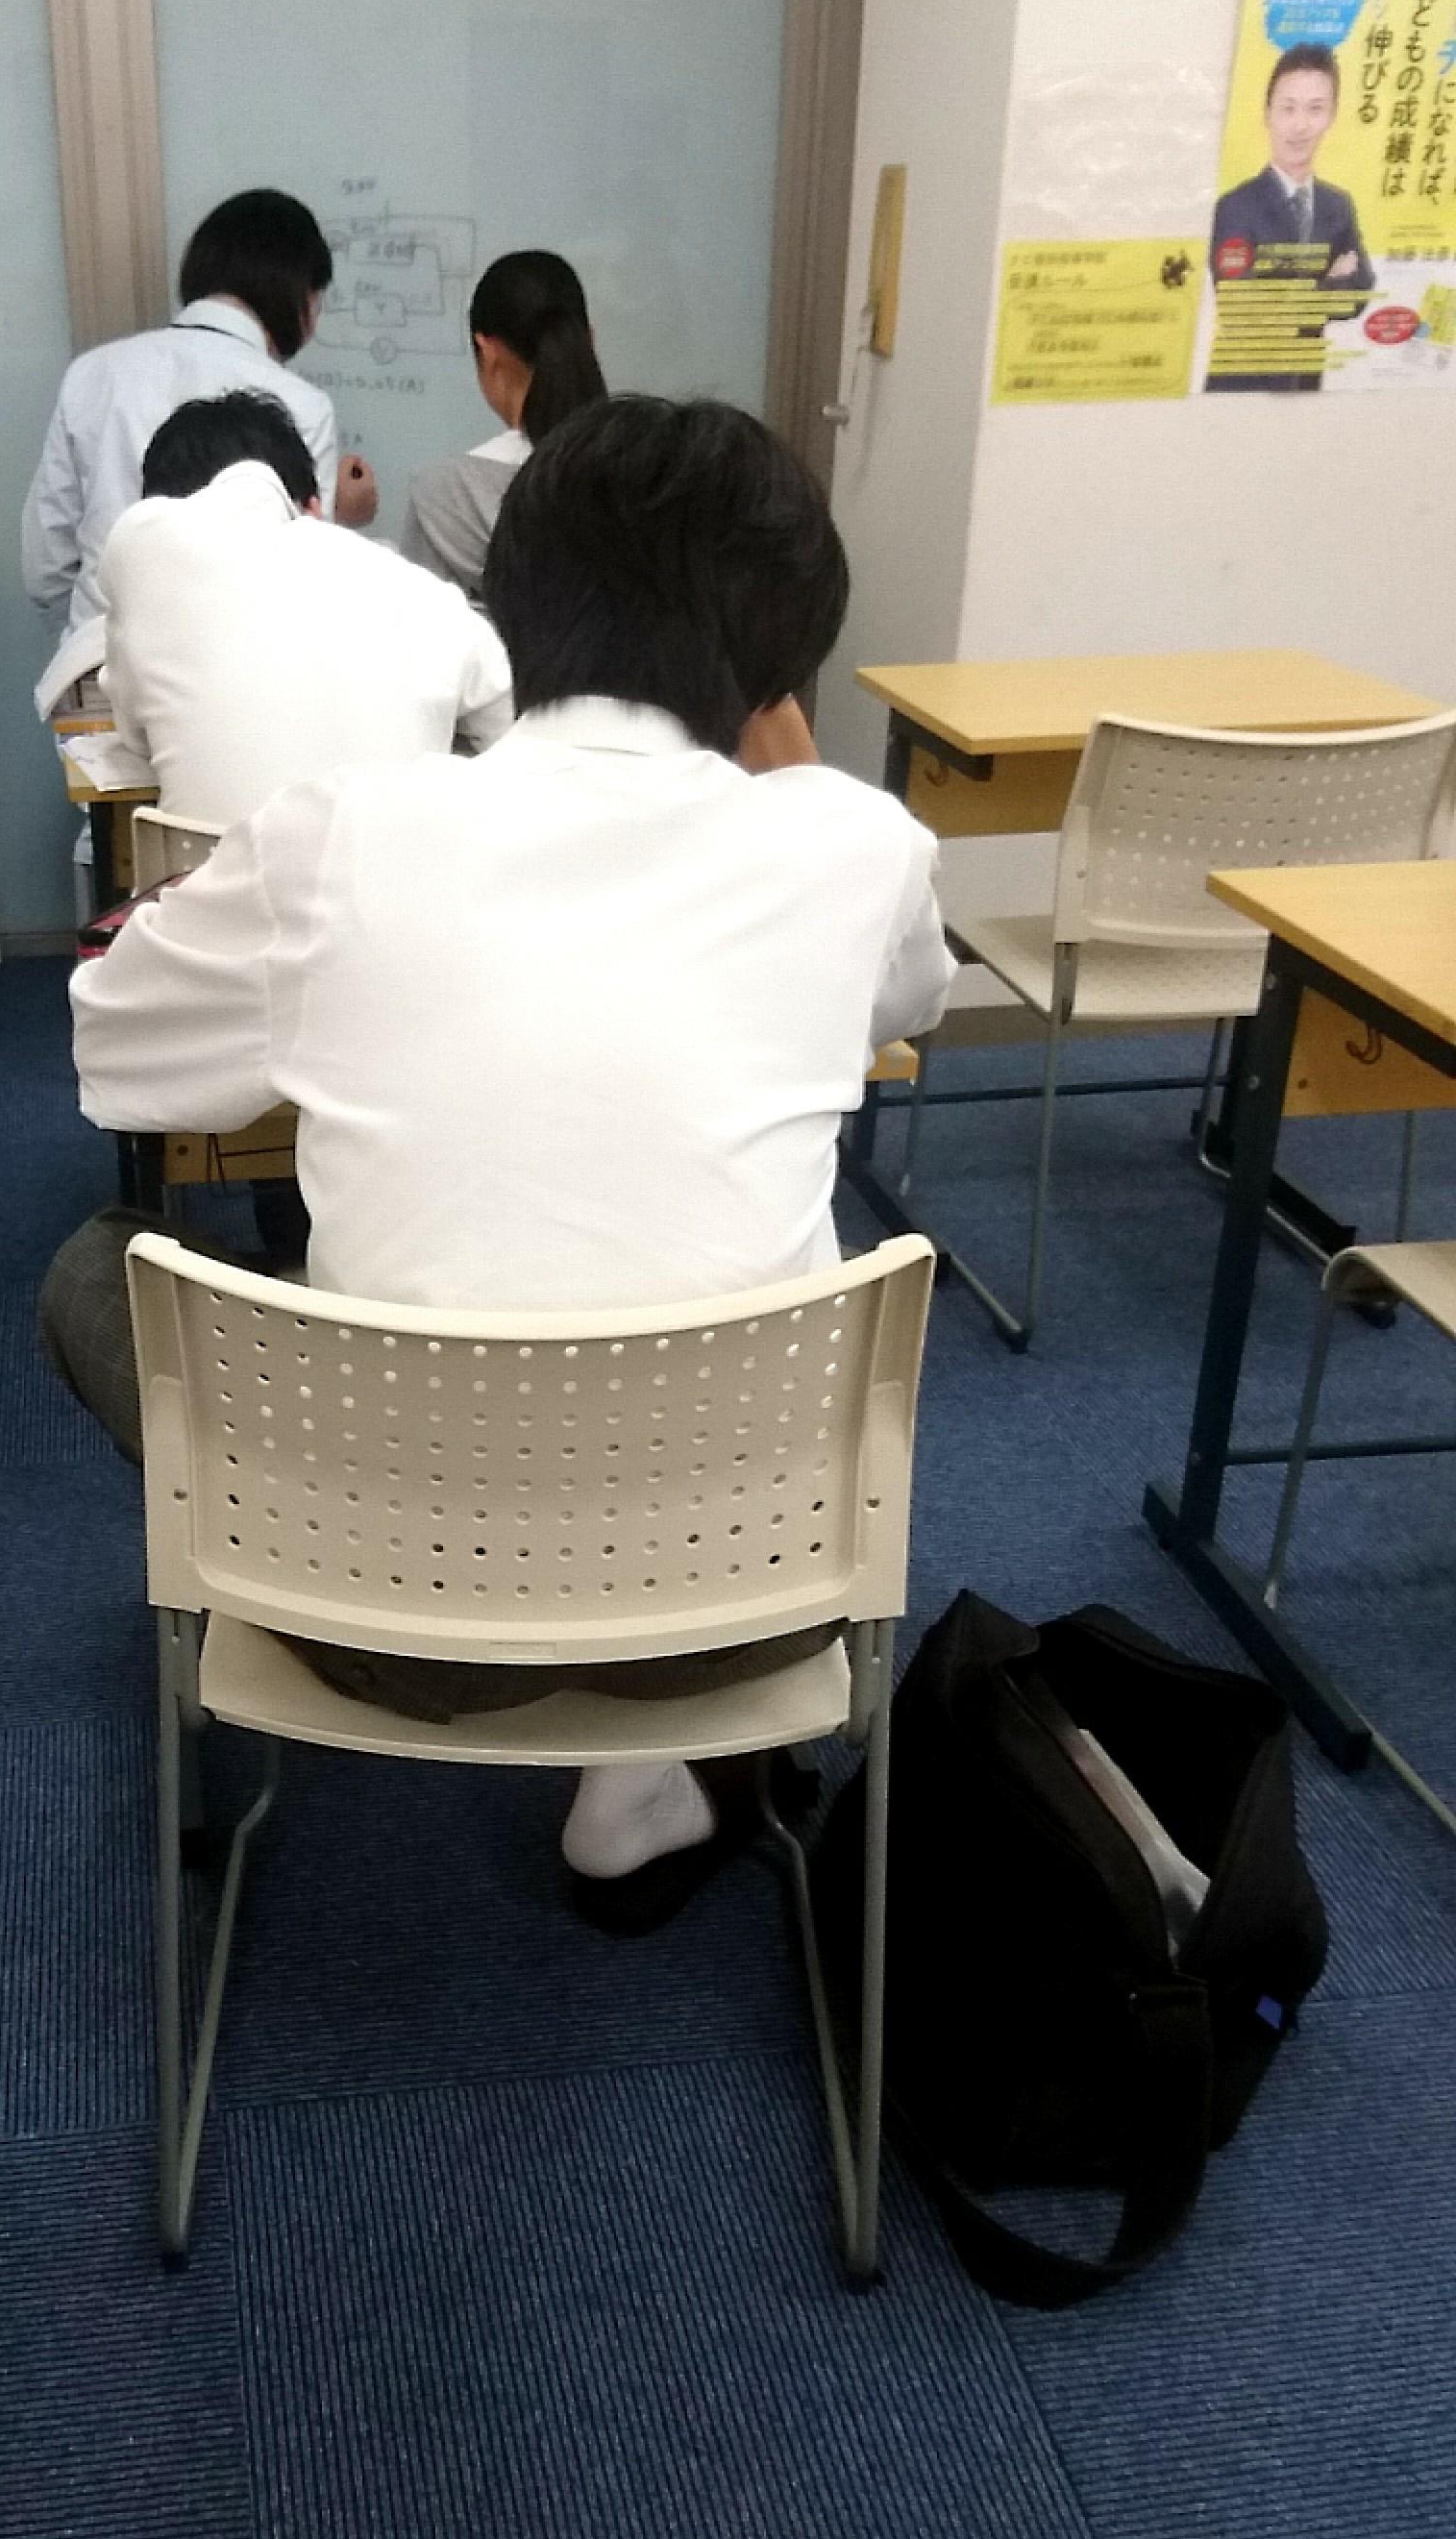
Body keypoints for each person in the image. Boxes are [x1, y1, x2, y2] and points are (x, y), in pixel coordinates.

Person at [64, 393, 951, 1930]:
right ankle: (645, 1771)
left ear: (508, 606)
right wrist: (790, 757)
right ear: (780, 663)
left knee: (102, 1271)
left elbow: (116, 1056)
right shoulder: (859, 847)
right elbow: (909, 1001)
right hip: (748, 1603)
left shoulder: (337, 833)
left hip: (370, 1614)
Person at [97, 390, 513, 826]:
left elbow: (136, 736)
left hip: (210, 866)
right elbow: (516, 739)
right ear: (313, 508)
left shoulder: (143, 560)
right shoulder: (428, 599)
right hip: (396, 866)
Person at [22, 188, 380, 632]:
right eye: (317, 303)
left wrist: (92, 634)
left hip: (100, 658)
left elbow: (46, 566)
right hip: (238, 662)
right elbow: (305, 572)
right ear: (297, 294)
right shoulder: (302, 405)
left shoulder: (93, 374)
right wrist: (346, 517)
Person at [401, 249, 605, 595]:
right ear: (589, 341)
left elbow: (419, 621)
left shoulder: (446, 494)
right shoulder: (652, 476)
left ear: (488, 352)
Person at [1207, 43, 1374, 394]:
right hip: (1239, 390)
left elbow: (1360, 291)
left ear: (1331, 116)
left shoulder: (1338, 205)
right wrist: (1328, 284)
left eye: (1315, 109)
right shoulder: (1236, 206)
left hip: (1307, 387)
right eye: (1288, 108)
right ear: (1268, 113)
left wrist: (1283, 289)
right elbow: (1244, 306)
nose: (1300, 125)